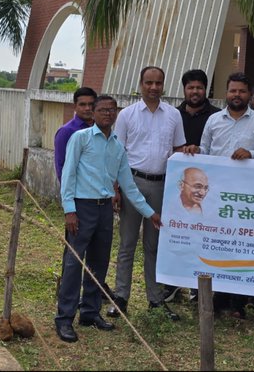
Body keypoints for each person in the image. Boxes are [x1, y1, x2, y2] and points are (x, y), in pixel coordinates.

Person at [58, 95, 162, 343]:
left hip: (104, 209)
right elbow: (68, 174)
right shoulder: (80, 139)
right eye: (103, 110)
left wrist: (151, 213)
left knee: (99, 262)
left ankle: (90, 312)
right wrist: (69, 210)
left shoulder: (117, 146)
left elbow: (128, 186)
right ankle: (64, 319)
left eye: (112, 110)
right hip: (81, 208)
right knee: (74, 263)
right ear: (93, 113)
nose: (108, 114)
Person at [110, 66, 186, 321]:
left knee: (154, 246)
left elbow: (179, 150)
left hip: (161, 186)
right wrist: (116, 189)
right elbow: (117, 154)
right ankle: (121, 297)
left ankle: (155, 299)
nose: (154, 87)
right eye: (149, 82)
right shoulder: (127, 115)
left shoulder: (174, 115)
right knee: (127, 244)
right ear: (141, 84)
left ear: (164, 85)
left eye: (158, 83)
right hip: (132, 183)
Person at [201, 73, 254, 318]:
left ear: (249, 95)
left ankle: (238, 303)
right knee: (220, 245)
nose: (237, 95)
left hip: (247, 197)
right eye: (233, 91)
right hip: (217, 195)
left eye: (242, 91)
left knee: (243, 246)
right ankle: (218, 299)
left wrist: (251, 154)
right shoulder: (213, 120)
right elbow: (205, 151)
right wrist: (192, 152)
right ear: (226, 92)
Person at [54, 87, 96, 182]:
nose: (87, 108)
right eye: (82, 104)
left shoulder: (100, 129)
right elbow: (61, 165)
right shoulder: (66, 131)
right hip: (77, 191)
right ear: (75, 106)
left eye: (91, 104)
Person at [178, 69, 220, 151]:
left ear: (205, 90)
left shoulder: (218, 116)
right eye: (190, 88)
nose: (195, 91)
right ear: (184, 90)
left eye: (199, 88)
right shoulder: (174, 115)